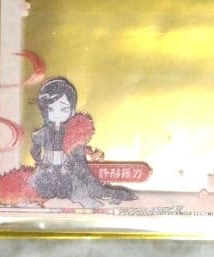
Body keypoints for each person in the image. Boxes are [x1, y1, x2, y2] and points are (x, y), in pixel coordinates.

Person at [25, 77, 137, 207]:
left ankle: (86, 197)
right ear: (45, 110)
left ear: (72, 111)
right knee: (34, 186)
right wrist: (41, 162)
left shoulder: (72, 133)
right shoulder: (43, 133)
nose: (57, 114)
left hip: (67, 173)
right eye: (51, 109)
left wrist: (75, 162)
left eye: (63, 109)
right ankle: (35, 199)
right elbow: (35, 150)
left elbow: (79, 160)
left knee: (78, 185)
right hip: (47, 173)